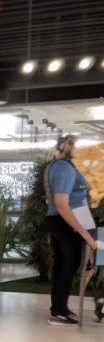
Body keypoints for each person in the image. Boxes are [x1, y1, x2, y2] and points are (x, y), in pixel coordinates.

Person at [43, 134, 103, 324]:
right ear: (65, 146)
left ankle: (59, 308)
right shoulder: (64, 167)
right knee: (69, 264)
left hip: (64, 220)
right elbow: (61, 205)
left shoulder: (59, 166)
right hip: (66, 221)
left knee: (63, 265)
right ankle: (59, 312)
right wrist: (88, 237)